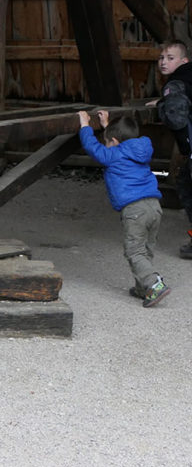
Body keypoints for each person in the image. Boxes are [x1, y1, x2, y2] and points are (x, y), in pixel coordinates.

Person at [78, 109, 169, 307]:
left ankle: (154, 284)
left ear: (114, 141)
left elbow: (93, 148)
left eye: (107, 141)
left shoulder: (114, 155)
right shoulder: (140, 149)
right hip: (154, 207)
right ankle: (142, 288)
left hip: (135, 210)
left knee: (134, 252)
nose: (106, 146)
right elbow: (119, 142)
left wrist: (85, 125)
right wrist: (107, 127)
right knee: (145, 250)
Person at [149, 40, 192, 258]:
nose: (164, 62)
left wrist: (160, 106)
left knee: (188, 187)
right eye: (161, 58)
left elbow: (176, 119)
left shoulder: (174, 85)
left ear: (184, 61)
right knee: (184, 179)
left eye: (170, 58)